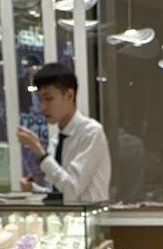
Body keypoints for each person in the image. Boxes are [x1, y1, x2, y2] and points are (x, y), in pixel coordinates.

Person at [17, 63, 111, 203]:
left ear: (69, 95)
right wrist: (34, 190)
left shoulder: (91, 132)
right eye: (40, 99)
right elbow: (60, 194)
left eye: (48, 98)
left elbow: (71, 190)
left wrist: (40, 152)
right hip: (66, 221)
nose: (43, 107)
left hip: (91, 222)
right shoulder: (56, 139)